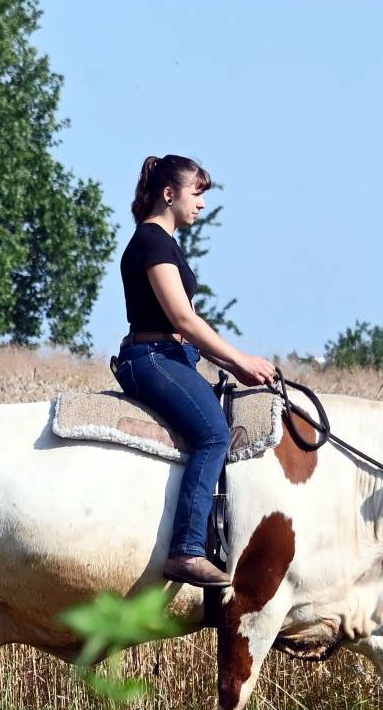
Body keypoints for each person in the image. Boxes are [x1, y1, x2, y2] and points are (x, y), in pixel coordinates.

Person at [113, 154, 278, 587]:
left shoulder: (166, 243)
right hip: (151, 360)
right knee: (214, 434)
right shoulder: (151, 242)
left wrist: (235, 366)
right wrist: (241, 358)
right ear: (170, 194)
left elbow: (186, 331)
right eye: (197, 193)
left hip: (172, 356)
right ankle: (186, 550)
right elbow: (184, 321)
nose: (202, 203)